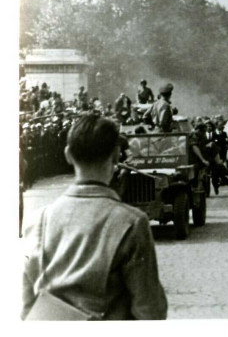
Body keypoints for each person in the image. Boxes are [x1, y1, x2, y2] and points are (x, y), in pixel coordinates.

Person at [21, 114, 167, 320]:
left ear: (68, 155)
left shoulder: (37, 221)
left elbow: (27, 305)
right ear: (116, 156)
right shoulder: (132, 222)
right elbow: (150, 310)